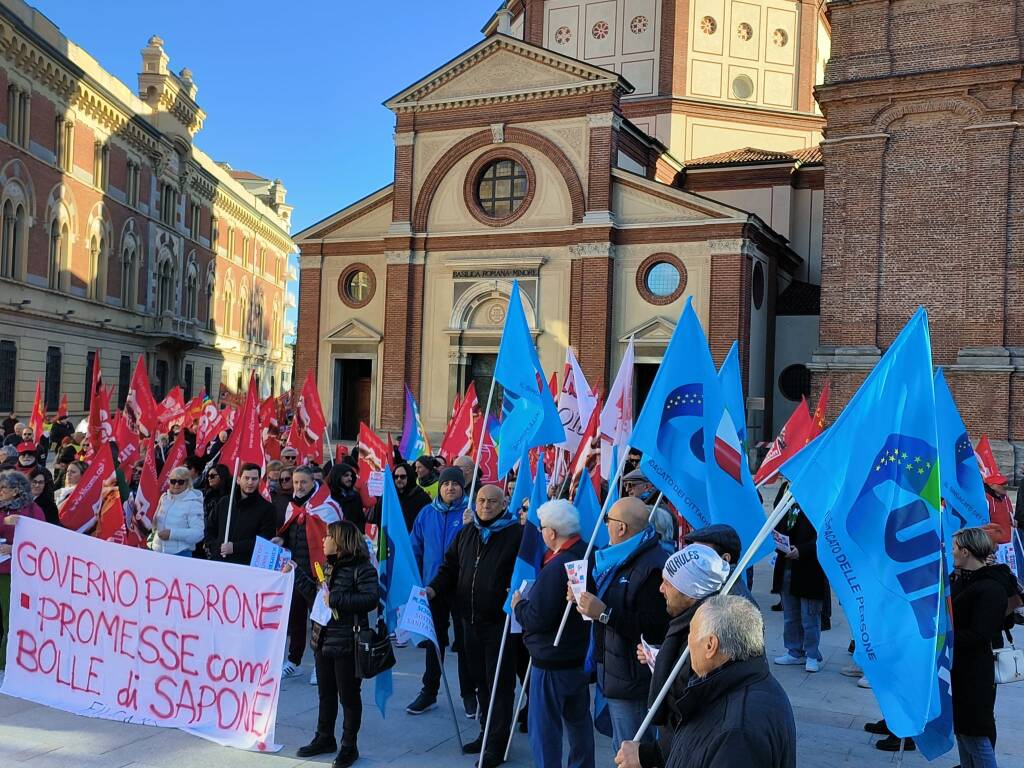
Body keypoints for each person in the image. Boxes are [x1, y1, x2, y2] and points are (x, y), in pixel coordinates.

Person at [428, 484, 523, 764]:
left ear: (503, 503)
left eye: (492, 502)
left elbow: (527, 573)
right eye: (481, 500)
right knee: (480, 681)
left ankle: (496, 744)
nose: (485, 506)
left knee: (499, 685)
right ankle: (485, 732)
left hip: (499, 624)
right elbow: (449, 568)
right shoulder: (467, 532)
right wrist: (433, 589)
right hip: (469, 622)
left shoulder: (515, 535)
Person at [615, 544, 730, 768]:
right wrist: (659, 660)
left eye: (668, 583)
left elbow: (695, 719)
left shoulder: (703, 641)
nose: (661, 589)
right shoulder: (689, 622)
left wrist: (648, 755)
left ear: (690, 593)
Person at [572, 497, 669, 754]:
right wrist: (584, 597)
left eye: (608, 521)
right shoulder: (617, 556)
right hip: (614, 669)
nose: (605, 526)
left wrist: (604, 614)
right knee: (622, 746)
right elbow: (611, 598)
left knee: (632, 750)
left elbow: (654, 627)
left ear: (622, 528)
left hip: (633, 679)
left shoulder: (653, 566)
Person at [663, 595, 796, 768]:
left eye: (691, 633)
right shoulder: (750, 682)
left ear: (711, 645)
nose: (689, 642)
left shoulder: (737, 732)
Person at [290, 521, 380, 768]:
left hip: (348, 642)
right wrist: (296, 573)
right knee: (325, 693)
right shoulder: (328, 567)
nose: (323, 540)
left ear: (341, 542)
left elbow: (371, 599)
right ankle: (324, 737)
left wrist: (337, 599)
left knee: (349, 697)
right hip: (323, 640)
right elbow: (318, 598)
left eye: (328, 536)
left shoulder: (362, 569)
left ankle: (349, 746)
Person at [511, 499, 594, 768]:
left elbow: (537, 618)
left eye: (542, 527)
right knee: (579, 723)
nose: (540, 533)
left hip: (551, 662)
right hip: (577, 657)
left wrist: (519, 605)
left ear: (552, 532)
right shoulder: (587, 553)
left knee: (545, 729)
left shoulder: (558, 566)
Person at [407, 465, 474, 715]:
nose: (450, 488)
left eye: (455, 484)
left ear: (462, 486)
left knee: (465, 643)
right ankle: (429, 691)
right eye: (446, 483)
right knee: (434, 642)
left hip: (463, 588)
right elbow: (415, 548)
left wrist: (474, 524)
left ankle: (469, 694)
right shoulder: (426, 513)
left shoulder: (471, 512)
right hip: (433, 588)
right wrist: (416, 581)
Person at [950, 527, 1012, 767]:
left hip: (975, 671)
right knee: (963, 732)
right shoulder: (964, 579)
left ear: (965, 552)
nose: (952, 551)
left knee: (975, 733)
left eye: (955, 548)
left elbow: (979, 634)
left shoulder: (990, 587)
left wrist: (944, 638)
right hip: (960, 667)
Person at [278, 465, 342, 681]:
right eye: (295, 482)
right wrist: (281, 539)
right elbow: (290, 533)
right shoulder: (291, 507)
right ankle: (294, 661)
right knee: (295, 619)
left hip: (319, 573)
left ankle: (320, 664)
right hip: (295, 571)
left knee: (319, 621)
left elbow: (338, 539)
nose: (298, 486)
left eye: (303, 482)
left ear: (313, 482)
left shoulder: (327, 507)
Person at [772, 489, 826, 672]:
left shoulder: (820, 496)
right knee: (790, 614)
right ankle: (794, 651)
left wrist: (803, 550)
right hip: (787, 565)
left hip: (810, 570)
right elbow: (777, 520)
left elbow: (824, 536)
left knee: (810, 615)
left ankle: (811, 654)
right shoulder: (787, 492)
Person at [0, 470, 47, 666]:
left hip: (13, 571)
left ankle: (5, 662)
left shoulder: (32, 511)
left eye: (4, 488)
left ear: (17, 490)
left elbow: (41, 541)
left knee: (8, 618)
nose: (0, 491)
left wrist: (14, 546)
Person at [204, 463, 277, 565]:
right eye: (246, 478)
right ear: (238, 479)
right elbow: (210, 528)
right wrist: (215, 547)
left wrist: (235, 547)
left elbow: (264, 540)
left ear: (259, 481)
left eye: (254, 479)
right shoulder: (225, 502)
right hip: (218, 562)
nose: (250, 482)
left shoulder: (267, 508)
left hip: (246, 565)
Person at [684, 525, 758, 607]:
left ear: (725, 559)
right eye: (693, 553)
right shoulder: (709, 586)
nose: (693, 560)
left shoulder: (737, 604)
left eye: (703, 555)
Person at [149, 466, 205, 557]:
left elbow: (198, 534)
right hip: (157, 551)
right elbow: (155, 524)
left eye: (180, 482)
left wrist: (172, 534)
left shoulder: (193, 503)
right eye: (173, 481)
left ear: (187, 483)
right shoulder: (164, 498)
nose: (176, 485)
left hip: (180, 554)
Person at [388, 461, 431, 531]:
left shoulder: (422, 497)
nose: (399, 479)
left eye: (402, 476)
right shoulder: (390, 496)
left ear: (409, 477)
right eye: (396, 477)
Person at [327, 463, 366, 532]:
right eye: (346, 475)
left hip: (352, 537)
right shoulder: (327, 496)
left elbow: (360, 519)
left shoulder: (355, 495)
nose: (350, 478)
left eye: (351, 476)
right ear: (337, 476)